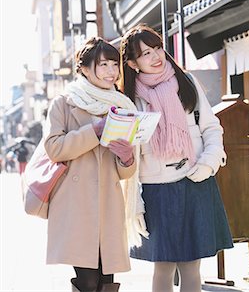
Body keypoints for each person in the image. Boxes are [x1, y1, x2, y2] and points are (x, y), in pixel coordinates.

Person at [119, 24, 233, 292]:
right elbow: (128, 151)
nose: (155, 56)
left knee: (192, 267)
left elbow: (211, 128)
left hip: (196, 181)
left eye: (157, 47)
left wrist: (208, 163)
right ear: (133, 64)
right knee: (164, 267)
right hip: (157, 190)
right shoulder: (129, 100)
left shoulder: (186, 82)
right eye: (145, 53)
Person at [43, 36, 138, 292]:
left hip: (108, 204)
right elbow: (54, 148)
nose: (111, 72)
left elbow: (125, 171)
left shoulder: (123, 106)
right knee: (87, 281)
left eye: (114, 65)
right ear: (84, 69)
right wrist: (94, 131)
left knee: (107, 282)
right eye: (103, 65)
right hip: (77, 204)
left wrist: (127, 156)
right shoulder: (64, 102)